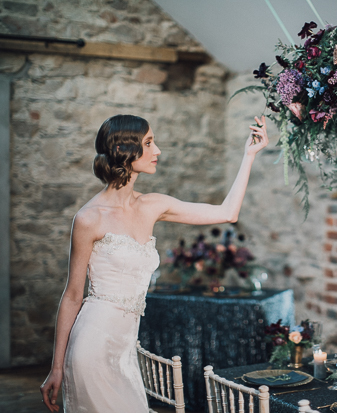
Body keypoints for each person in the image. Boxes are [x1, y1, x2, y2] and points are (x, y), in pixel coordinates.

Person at [39, 114, 269, 412]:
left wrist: (248, 155)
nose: (157, 150)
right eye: (149, 143)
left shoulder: (153, 205)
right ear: (125, 150)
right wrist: (56, 367)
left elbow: (228, 213)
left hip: (126, 349)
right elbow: (72, 296)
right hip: (91, 348)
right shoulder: (88, 218)